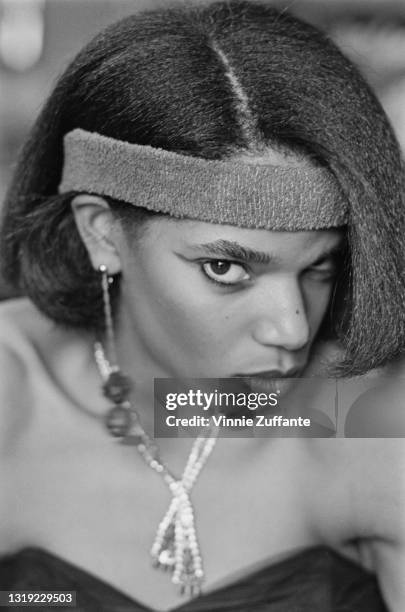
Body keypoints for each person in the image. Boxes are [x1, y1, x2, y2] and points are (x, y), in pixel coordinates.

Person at [0, 1, 404, 610]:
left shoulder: (365, 417)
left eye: (319, 267)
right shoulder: (11, 399)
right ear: (102, 234)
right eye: (226, 268)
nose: (291, 328)